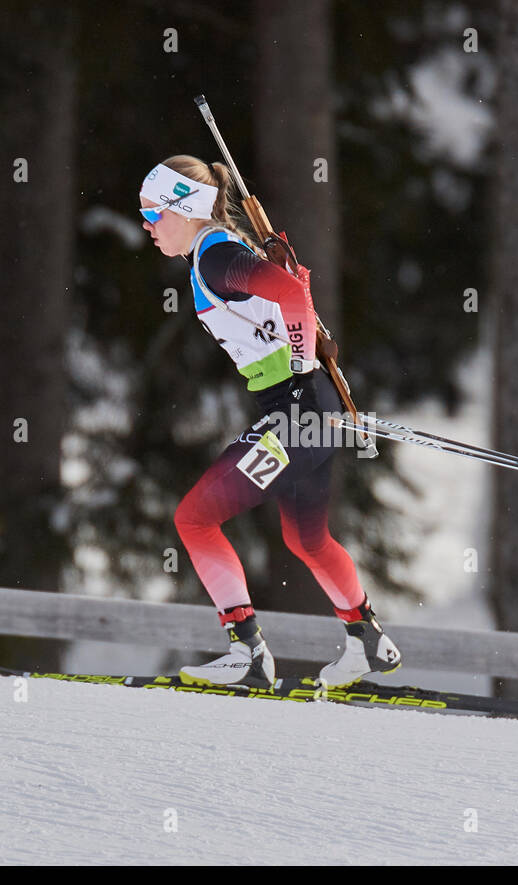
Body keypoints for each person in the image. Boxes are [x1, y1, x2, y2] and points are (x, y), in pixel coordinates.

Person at [139, 154, 402, 689]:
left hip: (297, 413)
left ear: (184, 210)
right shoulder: (213, 254)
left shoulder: (214, 258)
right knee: (307, 539)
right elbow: (289, 295)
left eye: (153, 213)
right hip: (311, 409)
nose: (146, 226)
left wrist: (303, 364)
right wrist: (306, 360)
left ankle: (249, 652)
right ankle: (368, 643)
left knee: (195, 519)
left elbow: (291, 294)